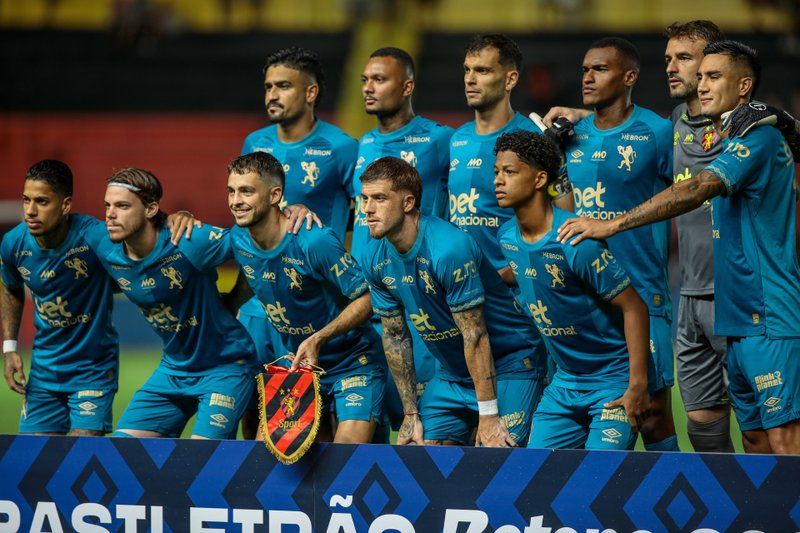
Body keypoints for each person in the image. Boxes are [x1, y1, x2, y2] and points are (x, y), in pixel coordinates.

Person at [557, 40, 800, 454]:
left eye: (712, 77)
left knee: (784, 439)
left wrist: (612, 223)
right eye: (699, 76)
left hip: (769, 312)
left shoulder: (757, 137)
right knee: (756, 438)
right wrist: (582, 116)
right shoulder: (698, 130)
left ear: (744, 87)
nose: (700, 85)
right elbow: (627, 126)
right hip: (735, 313)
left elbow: (699, 187)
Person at [546, 37, 680, 452]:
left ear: (629, 77)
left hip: (641, 291)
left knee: (653, 414)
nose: (588, 76)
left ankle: (677, 509)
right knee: (586, 408)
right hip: (582, 298)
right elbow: (563, 208)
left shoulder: (658, 132)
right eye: (585, 69)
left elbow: (683, 193)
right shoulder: (570, 136)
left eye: (600, 69)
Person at [360, 156, 547, 447]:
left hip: (510, 362)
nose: (367, 209)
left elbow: (475, 334)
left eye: (380, 199)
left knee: (498, 457)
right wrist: (410, 413)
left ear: (408, 203)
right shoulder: (374, 256)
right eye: (365, 198)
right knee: (417, 452)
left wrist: (487, 415)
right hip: (452, 374)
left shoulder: (448, 249)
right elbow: (395, 336)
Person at [494, 130, 650, 449]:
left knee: (600, 482)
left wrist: (637, 385)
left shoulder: (576, 242)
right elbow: (523, 269)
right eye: (496, 172)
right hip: (564, 385)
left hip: (611, 381)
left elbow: (634, 306)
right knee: (537, 480)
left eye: (510, 172)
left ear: (539, 179)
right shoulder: (507, 238)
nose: (498, 180)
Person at [82, 168, 257, 439]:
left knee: (201, 462)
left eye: (123, 206)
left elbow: (255, 244)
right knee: (120, 454)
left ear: (151, 209)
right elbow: (59, 224)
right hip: (173, 370)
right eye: (108, 205)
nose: (110, 215)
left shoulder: (188, 240)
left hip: (226, 367)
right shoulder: (104, 244)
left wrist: (235, 298)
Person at [223, 151, 385, 443]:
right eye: (231, 191)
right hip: (297, 365)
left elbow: (368, 298)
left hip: (351, 361)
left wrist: (318, 339)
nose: (236, 201)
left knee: (347, 457)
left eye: (247, 191)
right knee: (268, 455)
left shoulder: (314, 240)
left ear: (275, 195)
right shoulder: (238, 239)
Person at [238, 47, 356, 436]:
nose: (272, 94)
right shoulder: (254, 142)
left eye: (284, 86)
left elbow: (361, 215)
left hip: (320, 297)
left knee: (322, 422)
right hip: (267, 301)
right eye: (268, 86)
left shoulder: (341, 147)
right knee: (257, 413)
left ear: (310, 93)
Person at [352, 46, 453, 431]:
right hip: (367, 305)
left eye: (379, 79)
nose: (367, 87)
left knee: (426, 427)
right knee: (372, 426)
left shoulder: (441, 140)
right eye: (364, 80)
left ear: (407, 85)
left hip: (418, 305)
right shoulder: (362, 145)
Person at [1, 160, 119, 436]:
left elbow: (137, 254)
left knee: (84, 455)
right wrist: (9, 348)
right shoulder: (13, 244)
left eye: (42, 201)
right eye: (26, 200)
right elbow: (10, 287)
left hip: (93, 369)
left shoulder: (95, 236)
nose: (30, 211)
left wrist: (173, 218)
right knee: (35, 462)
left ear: (65, 205)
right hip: (43, 370)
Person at [449, 34, 573, 288]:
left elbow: (565, 222)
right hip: (462, 295)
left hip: (516, 300)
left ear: (510, 79)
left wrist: (509, 274)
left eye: (482, 70)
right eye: (467, 70)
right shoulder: (457, 139)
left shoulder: (536, 137)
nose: (470, 79)